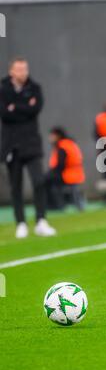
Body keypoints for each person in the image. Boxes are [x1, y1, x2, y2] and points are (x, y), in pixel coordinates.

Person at [0, 58, 56, 238]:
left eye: (25, 69)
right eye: (19, 69)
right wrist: (23, 107)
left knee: (39, 181)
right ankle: (21, 223)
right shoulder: (3, 88)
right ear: (11, 71)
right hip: (11, 145)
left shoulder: (34, 88)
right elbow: (4, 114)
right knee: (16, 186)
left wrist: (14, 107)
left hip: (31, 144)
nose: (23, 72)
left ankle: (41, 220)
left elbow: (36, 109)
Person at [46, 127, 85, 210]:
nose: (50, 138)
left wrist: (51, 173)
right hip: (75, 173)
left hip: (68, 174)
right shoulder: (69, 143)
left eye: (52, 135)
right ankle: (59, 205)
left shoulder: (62, 145)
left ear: (58, 136)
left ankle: (56, 206)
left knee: (46, 180)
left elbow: (60, 164)